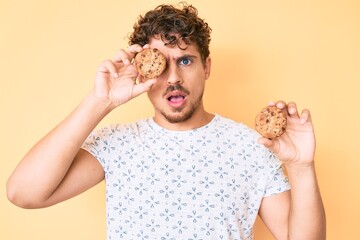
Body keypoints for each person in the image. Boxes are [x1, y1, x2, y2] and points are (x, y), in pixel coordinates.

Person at [6, 3, 326, 240]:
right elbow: (23, 193)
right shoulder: (117, 144)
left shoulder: (253, 147)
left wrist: (301, 167)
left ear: (207, 67)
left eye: (185, 60)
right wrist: (99, 101)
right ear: (144, 68)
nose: (173, 78)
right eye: (161, 64)